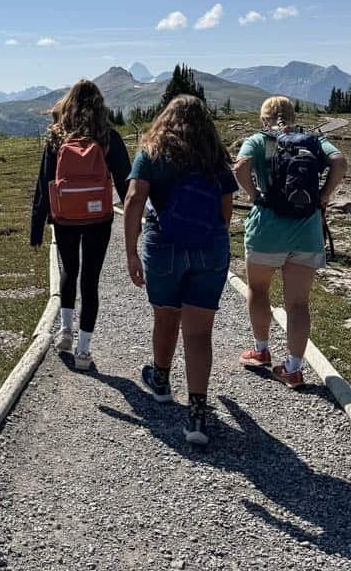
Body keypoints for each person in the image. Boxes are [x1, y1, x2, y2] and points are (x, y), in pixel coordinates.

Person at [124, 95, 236, 445]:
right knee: (200, 334)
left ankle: (160, 381)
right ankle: (197, 414)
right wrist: (207, 237)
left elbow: (133, 200)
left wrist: (130, 252)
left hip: (164, 246)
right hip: (210, 248)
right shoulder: (214, 156)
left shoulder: (152, 153)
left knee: (165, 316)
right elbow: (226, 209)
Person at [234, 96, 347, 388]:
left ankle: (260, 351)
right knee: (298, 302)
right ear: (293, 116)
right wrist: (324, 196)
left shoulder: (258, 141)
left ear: (263, 119)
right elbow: (339, 161)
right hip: (307, 231)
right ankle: (293, 368)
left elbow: (240, 167)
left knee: (258, 290)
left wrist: (254, 196)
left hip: (267, 229)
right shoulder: (313, 141)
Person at [30, 79, 131, 370]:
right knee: (90, 279)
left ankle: (64, 331)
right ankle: (84, 350)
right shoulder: (108, 137)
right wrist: (137, 219)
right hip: (99, 218)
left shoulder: (57, 137)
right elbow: (127, 183)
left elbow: (44, 184)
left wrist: (37, 225)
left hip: (65, 217)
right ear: (100, 106)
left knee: (69, 270)